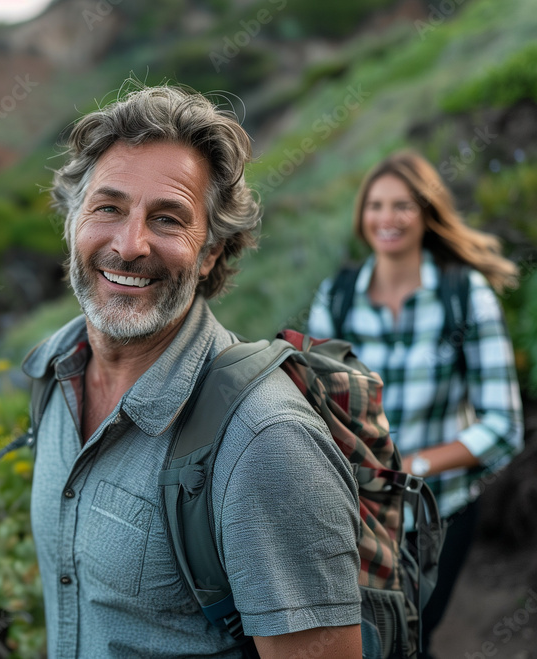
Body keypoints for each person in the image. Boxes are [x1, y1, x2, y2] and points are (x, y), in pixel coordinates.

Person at [25, 84, 362, 658]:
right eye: (108, 208)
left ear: (210, 253)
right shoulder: (53, 373)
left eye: (167, 219)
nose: (130, 245)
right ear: (72, 221)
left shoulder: (265, 441)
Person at [307, 150, 524, 658]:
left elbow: (504, 424)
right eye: (376, 205)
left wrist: (414, 468)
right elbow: (314, 408)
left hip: (439, 514)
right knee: (367, 644)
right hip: (357, 519)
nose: (388, 218)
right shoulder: (337, 298)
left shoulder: (464, 295)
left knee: (411, 640)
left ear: (427, 212)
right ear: (362, 215)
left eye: (403, 205)